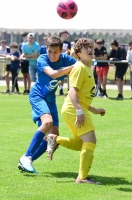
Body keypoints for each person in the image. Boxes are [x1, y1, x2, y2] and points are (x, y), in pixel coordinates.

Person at [46, 38, 106, 185]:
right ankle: (82, 178)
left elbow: (82, 97)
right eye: (86, 48)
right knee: (90, 140)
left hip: (74, 109)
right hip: (73, 109)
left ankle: (54, 139)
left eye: (90, 47)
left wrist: (94, 110)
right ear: (79, 53)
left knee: (81, 143)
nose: (90, 49)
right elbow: (72, 92)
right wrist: (79, 111)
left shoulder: (86, 68)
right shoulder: (79, 68)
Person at [18, 36, 76, 173]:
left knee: (53, 138)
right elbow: (54, 74)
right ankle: (26, 156)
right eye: (50, 51)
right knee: (48, 122)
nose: (52, 55)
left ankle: (28, 161)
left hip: (50, 100)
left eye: (55, 52)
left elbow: (81, 68)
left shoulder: (67, 60)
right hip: (37, 96)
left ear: (61, 51)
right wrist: (75, 65)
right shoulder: (42, 59)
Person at [58, 30, 72, 95]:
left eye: (67, 35)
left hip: (64, 61)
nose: (66, 36)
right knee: (58, 76)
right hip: (57, 60)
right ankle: (59, 89)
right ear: (61, 34)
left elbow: (68, 51)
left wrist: (66, 52)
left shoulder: (68, 43)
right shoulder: (57, 42)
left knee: (63, 76)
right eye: (65, 34)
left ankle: (63, 90)